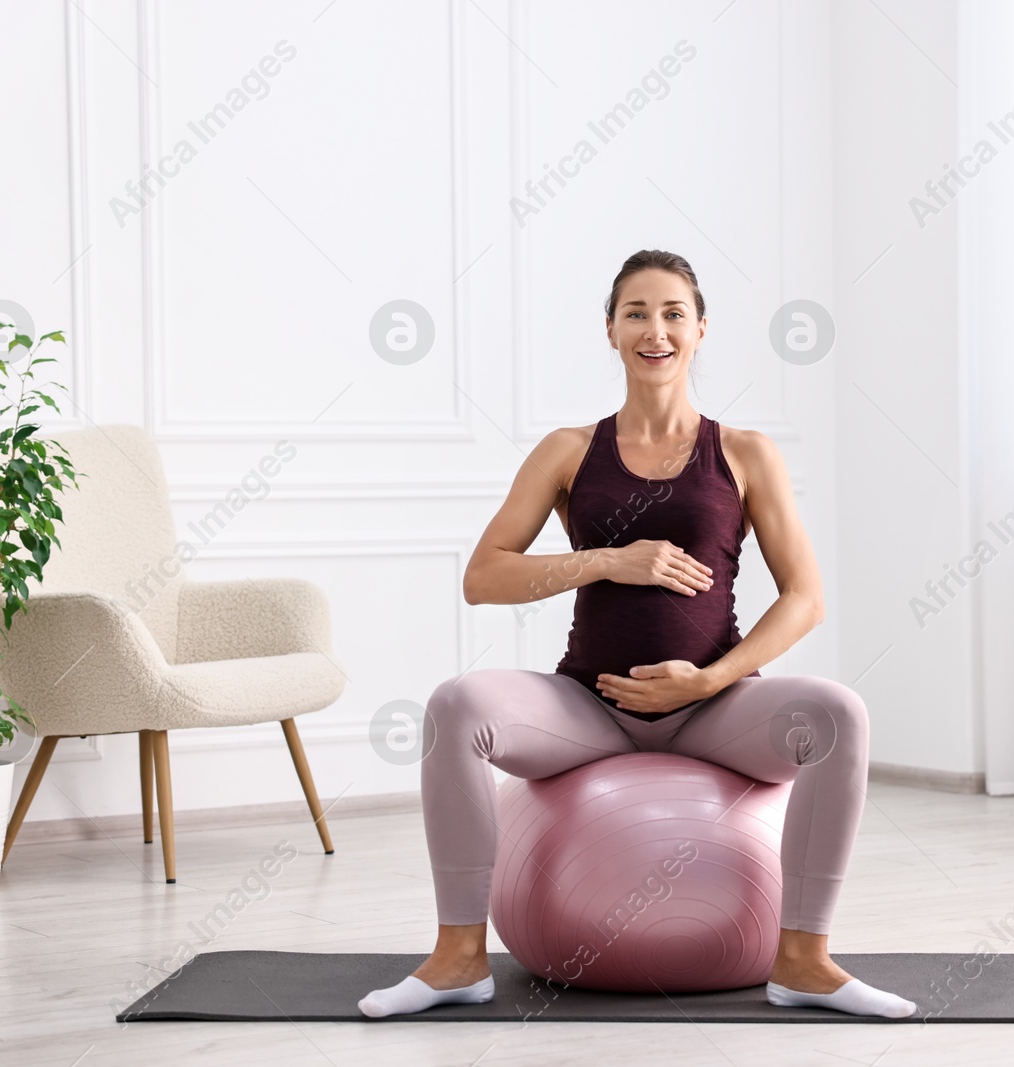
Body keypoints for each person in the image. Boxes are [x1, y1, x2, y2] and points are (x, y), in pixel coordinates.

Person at [358, 249, 916, 1020]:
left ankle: (804, 961)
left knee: (839, 713)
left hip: (714, 710)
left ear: (701, 329)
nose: (655, 329)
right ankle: (458, 958)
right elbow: (484, 577)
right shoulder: (567, 451)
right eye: (637, 313)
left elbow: (805, 599)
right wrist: (613, 558)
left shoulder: (746, 453)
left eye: (672, 313)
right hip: (588, 706)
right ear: (612, 332)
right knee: (458, 705)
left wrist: (710, 680)